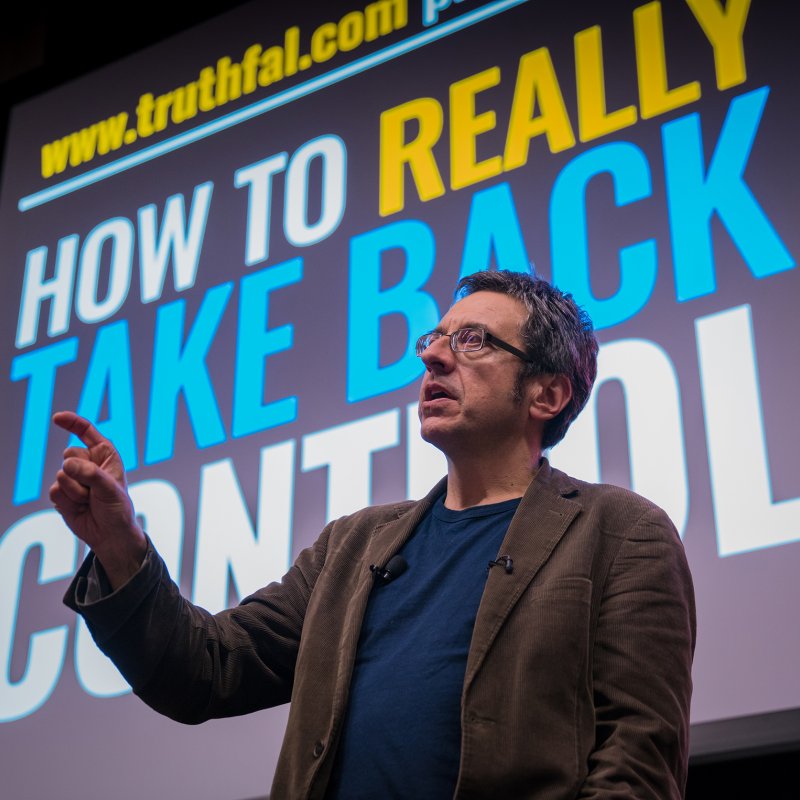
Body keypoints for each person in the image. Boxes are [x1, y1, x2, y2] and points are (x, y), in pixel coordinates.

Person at [52, 269, 695, 799]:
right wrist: (119, 546)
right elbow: (204, 671)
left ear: (547, 395)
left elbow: (638, 761)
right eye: (437, 337)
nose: (433, 353)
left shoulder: (619, 532)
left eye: (473, 342)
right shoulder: (352, 547)